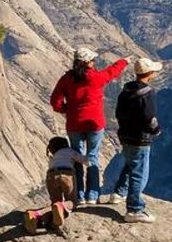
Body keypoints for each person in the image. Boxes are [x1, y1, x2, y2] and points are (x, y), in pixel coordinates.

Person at [49, 47, 129, 205]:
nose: (94, 62)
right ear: (88, 63)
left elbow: (55, 101)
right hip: (95, 124)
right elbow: (111, 72)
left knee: (76, 159)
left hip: (74, 124)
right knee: (92, 157)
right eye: (93, 60)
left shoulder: (66, 79)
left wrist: (68, 110)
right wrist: (123, 61)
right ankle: (92, 195)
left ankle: (78, 196)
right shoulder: (95, 77)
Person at [111, 57, 163, 223]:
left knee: (130, 164)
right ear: (150, 73)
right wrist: (155, 130)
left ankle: (119, 193)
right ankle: (134, 209)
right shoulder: (147, 93)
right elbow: (150, 117)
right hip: (140, 138)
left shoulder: (125, 90)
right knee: (139, 174)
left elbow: (118, 113)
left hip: (125, 135)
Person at [24, 136, 88, 233]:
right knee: (71, 202)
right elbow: (83, 160)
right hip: (66, 174)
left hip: (50, 176)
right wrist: (89, 159)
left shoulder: (54, 157)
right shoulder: (69, 151)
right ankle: (61, 207)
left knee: (55, 204)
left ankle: (35, 214)